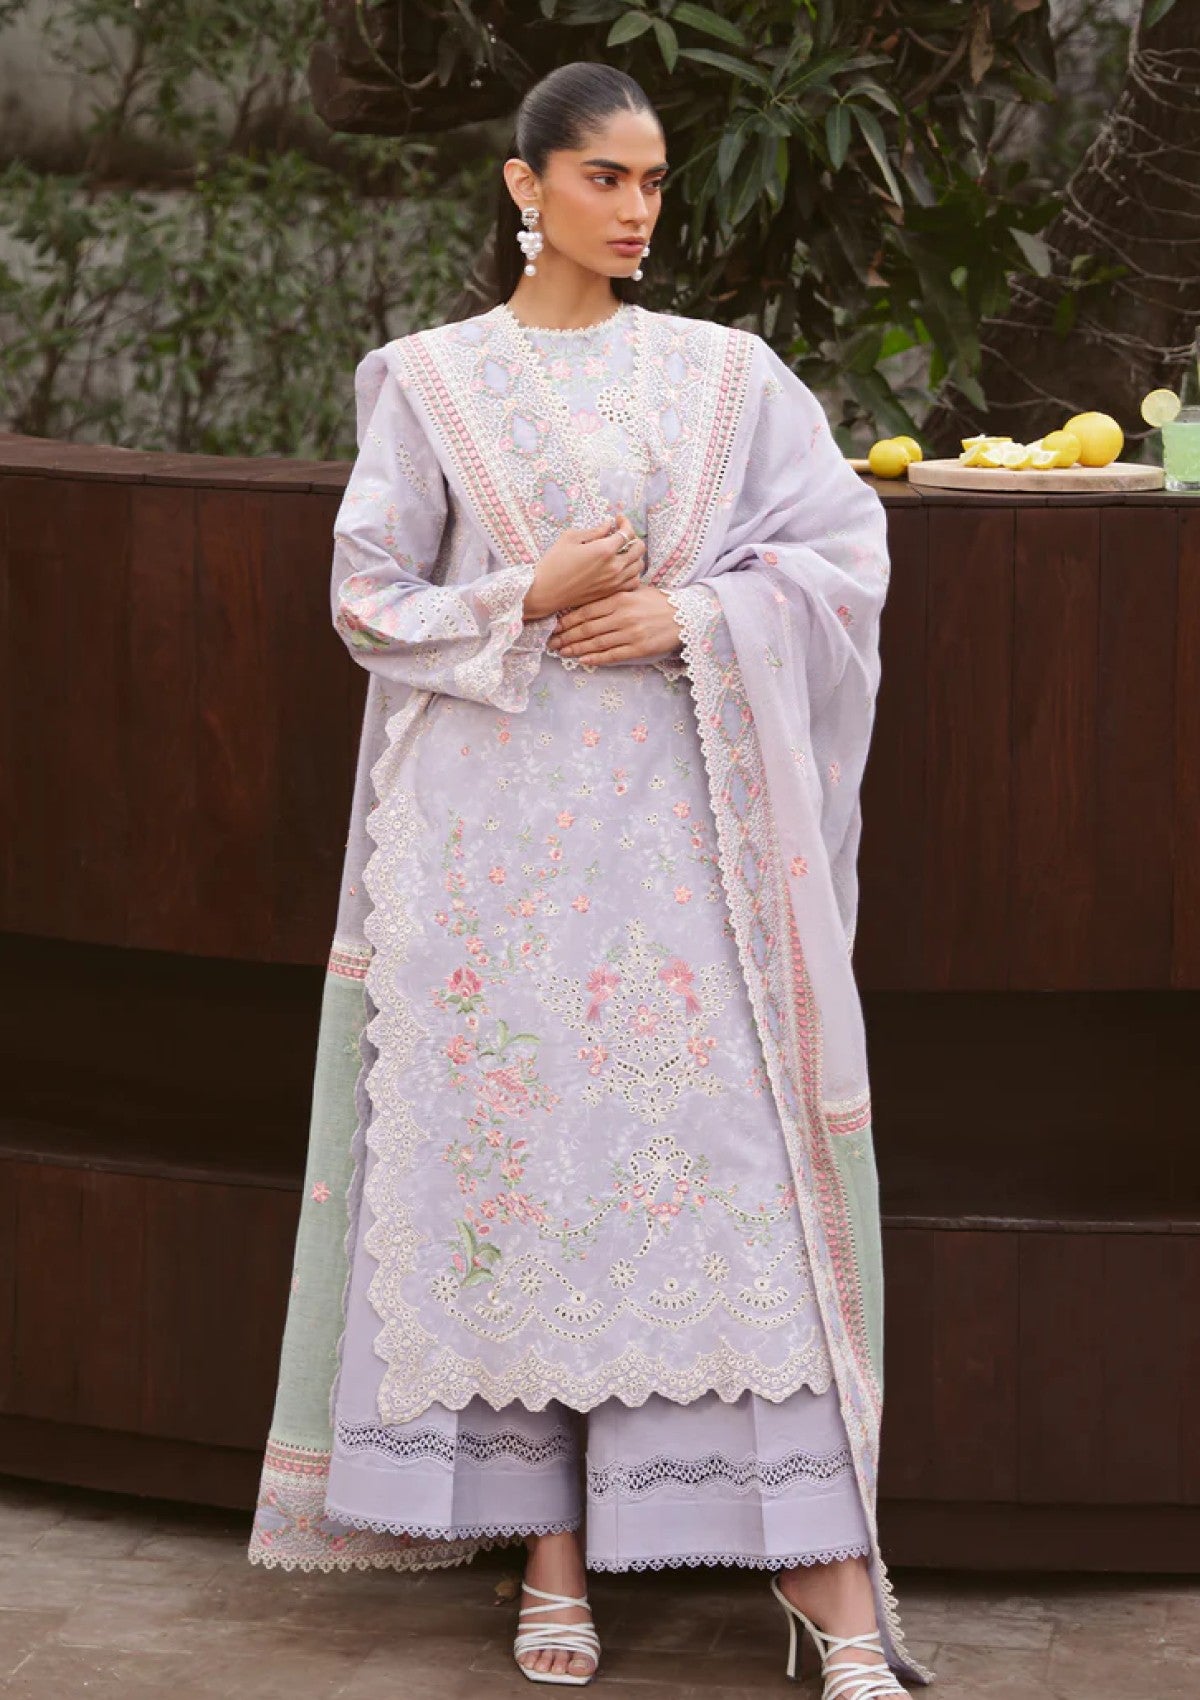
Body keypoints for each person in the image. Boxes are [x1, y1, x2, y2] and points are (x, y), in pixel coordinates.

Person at [247, 59, 934, 1700]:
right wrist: (529, 593)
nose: (636, 211)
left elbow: (842, 553)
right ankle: (546, 1551)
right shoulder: (430, 381)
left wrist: (693, 615)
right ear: (526, 185)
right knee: (520, 1179)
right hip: (483, 858)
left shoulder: (722, 373)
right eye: (604, 178)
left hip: (678, 848)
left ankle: (829, 1583)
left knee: (722, 1183)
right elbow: (365, 603)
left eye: (653, 182)